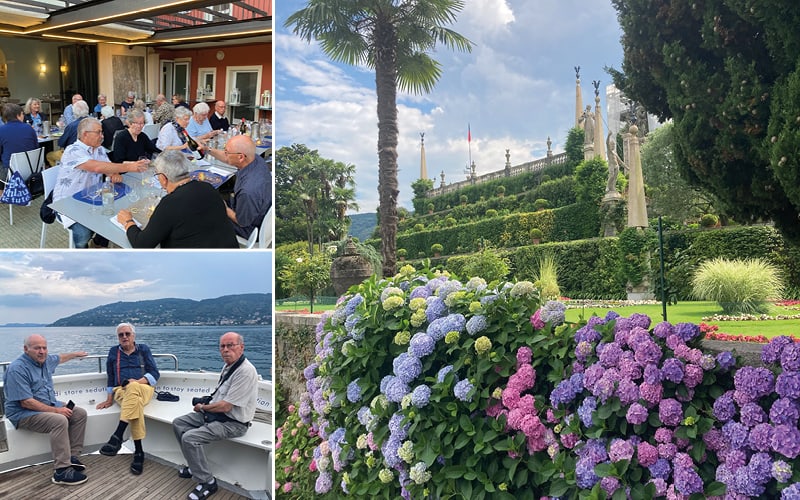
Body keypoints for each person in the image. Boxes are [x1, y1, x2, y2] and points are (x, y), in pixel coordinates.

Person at [173, 332, 258, 500]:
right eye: (222, 346)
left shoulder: (246, 371)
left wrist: (203, 407)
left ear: (241, 347)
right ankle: (194, 467)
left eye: (230, 345)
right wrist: (206, 406)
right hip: (216, 416)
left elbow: (226, 406)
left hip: (233, 422)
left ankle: (208, 482)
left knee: (190, 438)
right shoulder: (229, 366)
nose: (225, 350)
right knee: (178, 423)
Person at [2, 335, 89, 485]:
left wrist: (76, 355)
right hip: (23, 412)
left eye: (44, 347)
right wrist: (56, 411)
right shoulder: (17, 369)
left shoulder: (46, 360)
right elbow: (26, 402)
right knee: (59, 420)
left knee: (80, 413)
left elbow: (60, 358)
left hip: (47, 403)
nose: (42, 351)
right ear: (26, 349)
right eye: (37, 348)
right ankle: (61, 471)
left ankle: (72, 457)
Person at [53, 118, 149, 248]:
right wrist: (129, 167)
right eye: (98, 132)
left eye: (102, 132)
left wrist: (113, 173)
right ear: (85, 134)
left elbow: (106, 166)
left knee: (115, 214)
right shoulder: (73, 151)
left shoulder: (98, 149)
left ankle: (98, 243)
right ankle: (81, 250)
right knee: (84, 233)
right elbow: (97, 167)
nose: (102, 136)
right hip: (68, 203)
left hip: (92, 197)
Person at [116, 150, 239, 248]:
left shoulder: (170, 204)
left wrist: (128, 222)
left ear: (163, 178)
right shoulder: (207, 187)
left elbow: (141, 245)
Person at [96, 323, 160, 475]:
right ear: (118, 338)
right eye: (121, 335)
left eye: (127, 334)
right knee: (135, 401)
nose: (124, 337)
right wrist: (108, 399)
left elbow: (155, 374)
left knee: (133, 388)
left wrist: (136, 383)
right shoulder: (113, 352)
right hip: (121, 390)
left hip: (144, 388)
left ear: (133, 336)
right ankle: (139, 452)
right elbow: (111, 377)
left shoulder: (143, 349)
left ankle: (118, 434)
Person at [205, 135, 271, 240]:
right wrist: (207, 149)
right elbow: (228, 159)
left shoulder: (248, 191)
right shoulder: (255, 159)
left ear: (240, 157)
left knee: (205, 212)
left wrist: (225, 208)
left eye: (227, 152)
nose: (225, 154)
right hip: (257, 210)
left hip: (250, 228)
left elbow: (241, 221)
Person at [0, 103, 38, 180]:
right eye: (22, 114)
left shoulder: (1, 130)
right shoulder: (29, 128)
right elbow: (36, 147)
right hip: (31, 167)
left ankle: (2, 191)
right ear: (18, 115)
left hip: (11, 171)